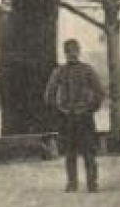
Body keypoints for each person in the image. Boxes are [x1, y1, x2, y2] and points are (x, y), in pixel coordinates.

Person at [43, 39, 103, 193]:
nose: (72, 54)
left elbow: (99, 92)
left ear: (79, 51)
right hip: (67, 117)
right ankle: (72, 183)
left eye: (74, 50)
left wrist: (91, 108)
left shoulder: (88, 70)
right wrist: (59, 111)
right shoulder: (59, 71)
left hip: (84, 117)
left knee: (89, 151)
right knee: (69, 152)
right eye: (69, 51)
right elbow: (49, 94)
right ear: (65, 53)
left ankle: (92, 183)